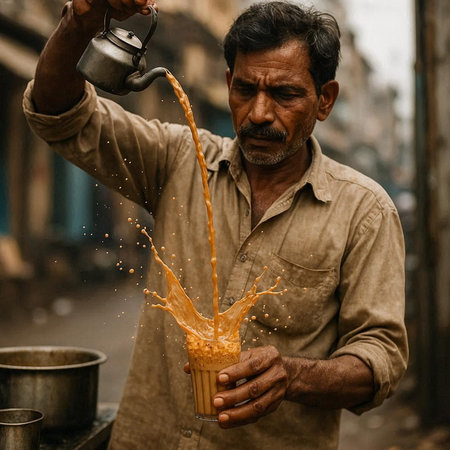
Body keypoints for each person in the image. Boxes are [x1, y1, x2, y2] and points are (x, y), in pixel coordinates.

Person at [23, 1, 408, 448]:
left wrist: (293, 375)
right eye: (245, 89)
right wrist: (81, 20)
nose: (259, 113)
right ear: (228, 83)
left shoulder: (364, 211)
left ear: (325, 100)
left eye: (285, 94)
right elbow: (60, 114)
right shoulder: (178, 158)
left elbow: (379, 355)